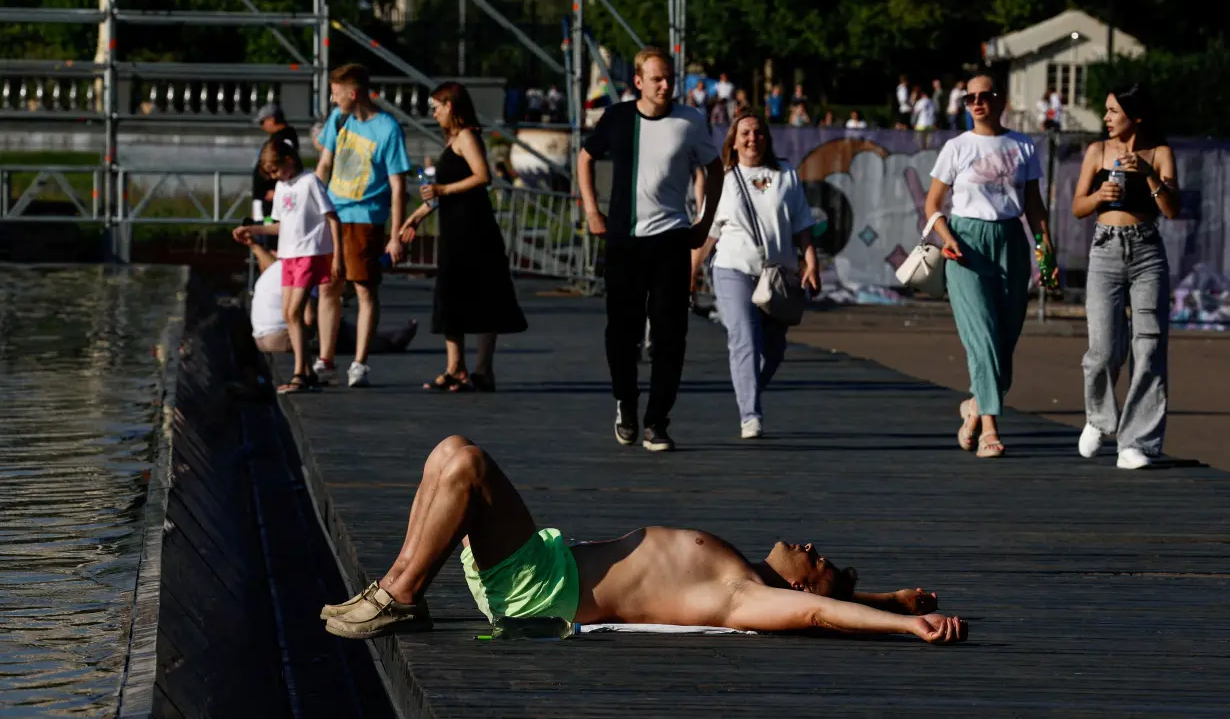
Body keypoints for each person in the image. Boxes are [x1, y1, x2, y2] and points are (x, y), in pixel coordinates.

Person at [320, 436, 969, 644]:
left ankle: (399, 594)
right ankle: (396, 588)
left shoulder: (740, 595)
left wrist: (906, 630)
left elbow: (821, 611)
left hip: (542, 590)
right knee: (449, 452)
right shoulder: (739, 570)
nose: (808, 543)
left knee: (467, 465)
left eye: (816, 559)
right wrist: (893, 601)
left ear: (798, 583)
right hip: (546, 567)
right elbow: (830, 598)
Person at [577, 46, 725, 452]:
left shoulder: (690, 121)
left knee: (669, 334)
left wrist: (705, 222)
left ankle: (657, 421)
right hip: (624, 240)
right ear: (638, 81)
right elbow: (585, 158)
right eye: (657, 78)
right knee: (621, 333)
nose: (665, 85)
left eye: (670, 78)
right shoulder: (618, 117)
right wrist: (592, 211)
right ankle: (625, 401)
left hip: (672, 240)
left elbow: (715, 169)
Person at [924, 75, 1055, 458]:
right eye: (970, 98)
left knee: (1004, 341)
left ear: (1000, 100)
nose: (977, 102)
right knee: (982, 336)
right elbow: (933, 204)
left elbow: (1034, 206)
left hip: (1011, 241)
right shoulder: (956, 147)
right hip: (965, 244)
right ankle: (990, 430)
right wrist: (947, 238)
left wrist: (1046, 252)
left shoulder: (1023, 145)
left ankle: (974, 408)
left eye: (985, 96)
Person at [690, 114, 820, 439]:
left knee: (774, 350)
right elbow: (707, 233)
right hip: (733, 267)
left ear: (767, 139)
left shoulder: (786, 173)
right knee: (744, 338)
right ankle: (750, 414)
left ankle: (748, 388)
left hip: (777, 274)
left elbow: (803, 223)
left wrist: (810, 262)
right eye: (745, 133)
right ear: (733, 141)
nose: (752, 139)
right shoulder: (723, 178)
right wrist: (690, 271)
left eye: (758, 133)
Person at [1071, 84, 1179, 469]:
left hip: (1147, 250)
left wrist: (1149, 175)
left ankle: (1137, 443)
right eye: (1107, 111)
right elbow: (1078, 207)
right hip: (1106, 249)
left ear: (1135, 117)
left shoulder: (1160, 154)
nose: (1106, 118)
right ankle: (1099, 419)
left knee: (1148, 346)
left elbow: (1171, 210)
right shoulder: (1097, 151)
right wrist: (1100, 195)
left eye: (1113, 111)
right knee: (1102, 349)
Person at [400, 82, 527, 393]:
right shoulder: (452, 141)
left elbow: (482, 176)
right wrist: (415, 218)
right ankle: (455, 367)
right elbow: (440, 195)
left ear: (450, 106)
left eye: (436, 108)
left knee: (484, 296)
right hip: (455, 229)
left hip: (475, 229)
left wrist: (442, 190)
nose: (434, 114)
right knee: (450, 294)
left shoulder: (467, 137)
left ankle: (482, 370)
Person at [313, 64, 410, 389]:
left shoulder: (387, 129)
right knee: (328, 286)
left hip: (366, 217)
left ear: (353, 93)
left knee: (364, 288)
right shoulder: (338, 121)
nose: (332, 97)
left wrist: (395, 235)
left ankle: (360, 362)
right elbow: (324, 163)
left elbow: (398, 186)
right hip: (334, 214)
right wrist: (309, 202)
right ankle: (325, 359)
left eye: (336, 92)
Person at [234, 139, 342, 394]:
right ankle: (304, 369)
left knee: (294, 312)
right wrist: (252, 229)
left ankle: (299, 373)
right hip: (289, 255)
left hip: (309, 253)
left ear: (289, 160)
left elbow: (332, 219)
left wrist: (337, 255)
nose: (274, 176)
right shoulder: (282, 187)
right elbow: (280, 224)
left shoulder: (309, 182)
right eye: (270, 173)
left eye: (276, 170)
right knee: (288, 314)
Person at [240, 232, 417, 356]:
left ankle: (382, 338)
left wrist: (255, 246)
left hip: (261, 338)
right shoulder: (309, 270)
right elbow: (309, 318)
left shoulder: (287, 265)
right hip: (279, 338)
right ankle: (386, 343)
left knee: (330, 318)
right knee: (333, 328)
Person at [251, 102, 299, 222]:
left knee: (268, 234)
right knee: (261, 230)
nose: (262, 127)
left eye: (263, 122)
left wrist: (278, 191)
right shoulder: (275, 139)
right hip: (265, 200)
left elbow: (287, 169)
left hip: (272, 201)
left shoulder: (285, 140)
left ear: (272, 119)